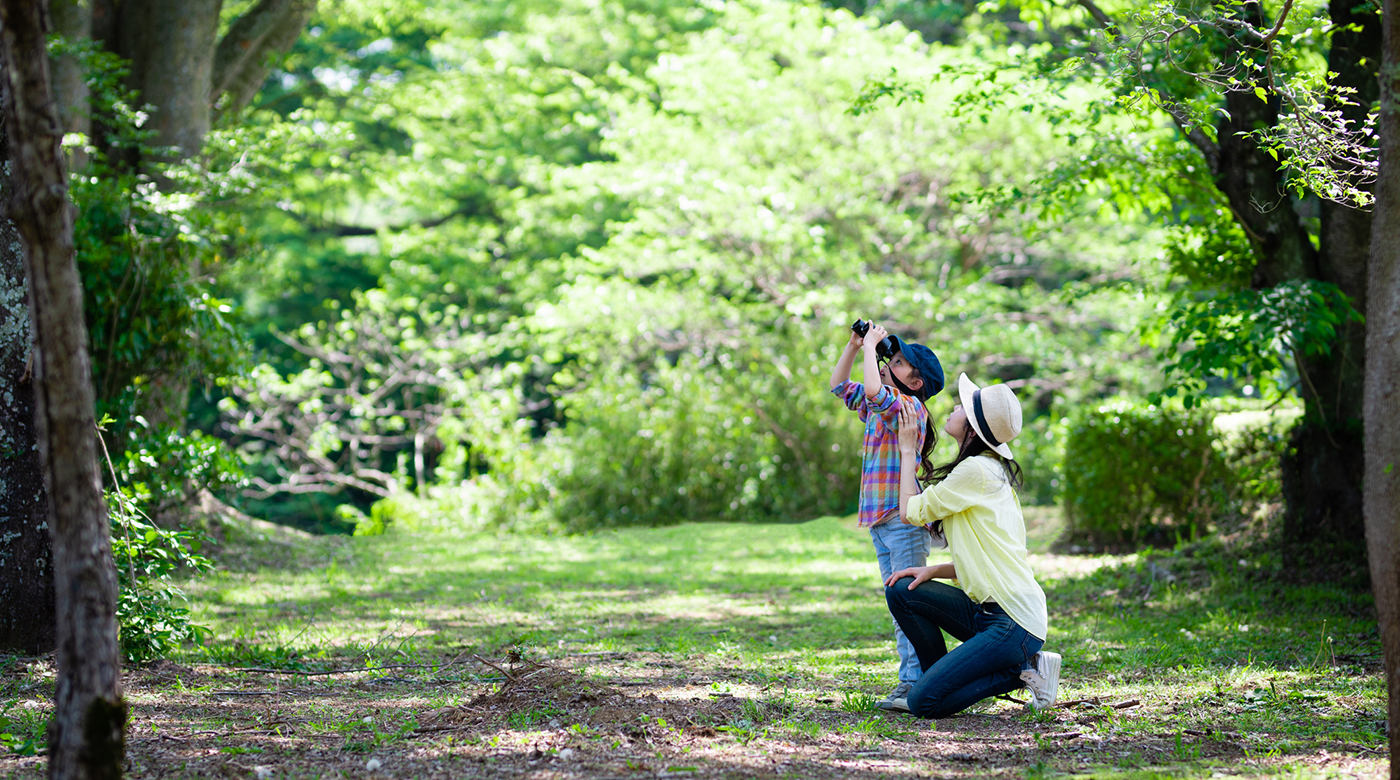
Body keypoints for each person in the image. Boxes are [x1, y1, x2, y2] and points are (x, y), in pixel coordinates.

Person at [882, 373, 1060, 717]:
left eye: (963, 406)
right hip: (988, 613)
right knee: (902, 591)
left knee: (924, 704)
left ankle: (1025, 670)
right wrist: (934, 570)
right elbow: (990, 558)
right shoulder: (986, 470)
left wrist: (907, 449)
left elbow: (909, 512)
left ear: (974, 430)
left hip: (1013, 623)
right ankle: (934, 679)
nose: (955, 406)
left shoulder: (976, 471)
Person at [829, 321, 945, 710]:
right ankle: (913, 679)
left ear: (915, 383)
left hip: (903, 521)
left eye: (896, 362)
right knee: (899, 606)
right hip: (881, 521)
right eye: (888, 358)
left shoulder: (908, 407)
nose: (885, 362)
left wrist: (870, 348)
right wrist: (853, 346)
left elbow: (875, 393)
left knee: (907, 605)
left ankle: (914, 682)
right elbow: (839, 386)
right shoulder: (882, 406)